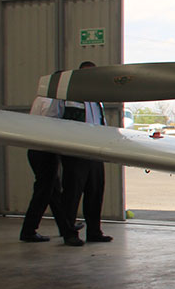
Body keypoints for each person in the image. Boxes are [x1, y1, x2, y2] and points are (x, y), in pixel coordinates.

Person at [20, 96, 84, 246]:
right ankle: (30, 230)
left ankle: (65, 228)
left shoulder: (41, 99)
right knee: (44, 192)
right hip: (44, 150)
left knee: (53, 193)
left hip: (39, 149)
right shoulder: (52, 102)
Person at [61, 61, 113, 243]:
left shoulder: (97, 99)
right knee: (72, 194)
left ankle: (94, 232)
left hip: (95, 151)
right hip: (77, 151)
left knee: (95, 193)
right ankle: (69, 233)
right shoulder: (71, 96)